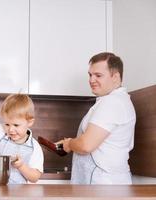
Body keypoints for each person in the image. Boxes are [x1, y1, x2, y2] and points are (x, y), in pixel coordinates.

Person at [57, 52, 136, 184]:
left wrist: (70, 143)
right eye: (90, 75)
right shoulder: (115, 101)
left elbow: (86, 145)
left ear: (115, 77)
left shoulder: (112, 103)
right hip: (103, 183)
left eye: (98, 75)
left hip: (104, 185)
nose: (91, 80)